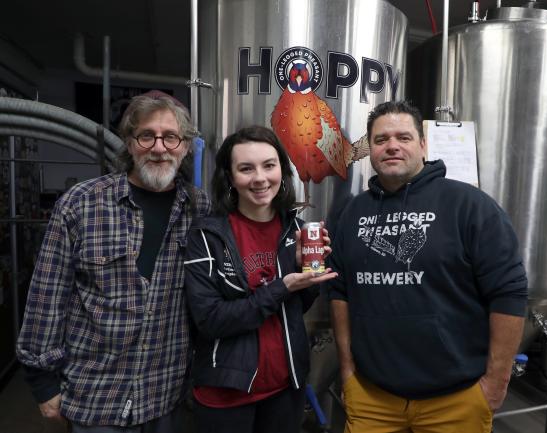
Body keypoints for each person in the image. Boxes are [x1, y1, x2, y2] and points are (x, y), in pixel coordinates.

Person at [327, 100, 528, 433]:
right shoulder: (353, 212)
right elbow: (339, 290)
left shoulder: (470, 206)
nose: (392, 146)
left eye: (404, 137)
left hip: (456, 400)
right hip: (372, 397)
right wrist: (347, 371)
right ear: (371, 150)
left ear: (423, 144)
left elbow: (508, 292)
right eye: (381, 139)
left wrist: (496, 381)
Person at [16, 90, 211, 432]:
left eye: (170, 137)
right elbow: (47, 297)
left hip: (166, 395)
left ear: (184, 146)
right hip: (95, 396)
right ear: (129, 142)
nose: (159, 147)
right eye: (147, 135)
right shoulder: (81, 203)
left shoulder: (199, 209)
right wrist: (43, 384)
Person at [183, 125, 337, 433]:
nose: (260, 178)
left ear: (282, 168)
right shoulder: (208, 234)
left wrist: (305, 277)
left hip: (284, 389)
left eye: (269, 165)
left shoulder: (295, 228)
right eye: (246, 168)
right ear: (229, 176)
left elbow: (294, 311)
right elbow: (210, 319)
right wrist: (282, 286)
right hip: (226, 393)